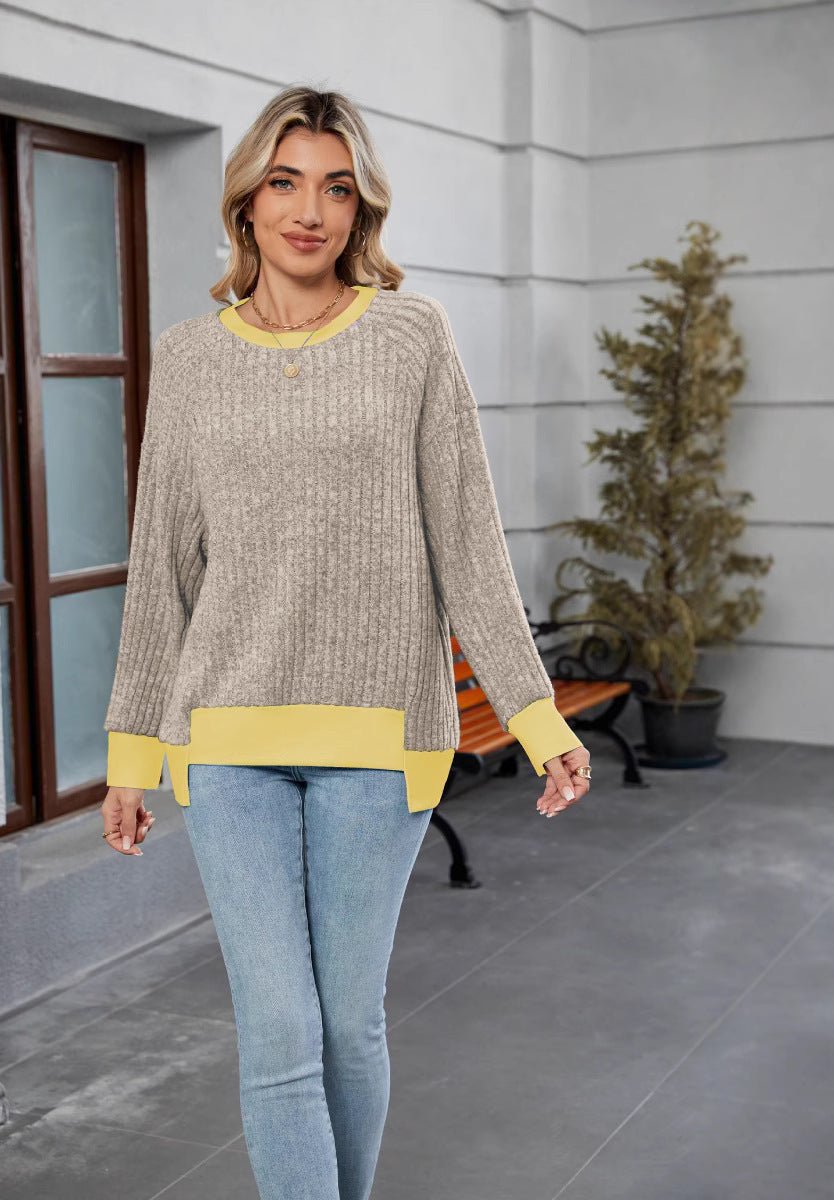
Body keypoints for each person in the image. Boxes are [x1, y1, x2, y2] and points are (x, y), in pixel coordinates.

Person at [99, 84, 593, 1200]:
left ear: (361, 207)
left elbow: (469, 543)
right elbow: (161, 570)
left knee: (346, 1024)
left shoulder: (412, 336)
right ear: (247, 200)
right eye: (285, 183)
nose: (308, 211)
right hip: (227, 739)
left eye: (335, 187)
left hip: (381, 739)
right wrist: (133, 753)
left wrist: (536, 717)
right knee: (278, 1027)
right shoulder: (189, 358)